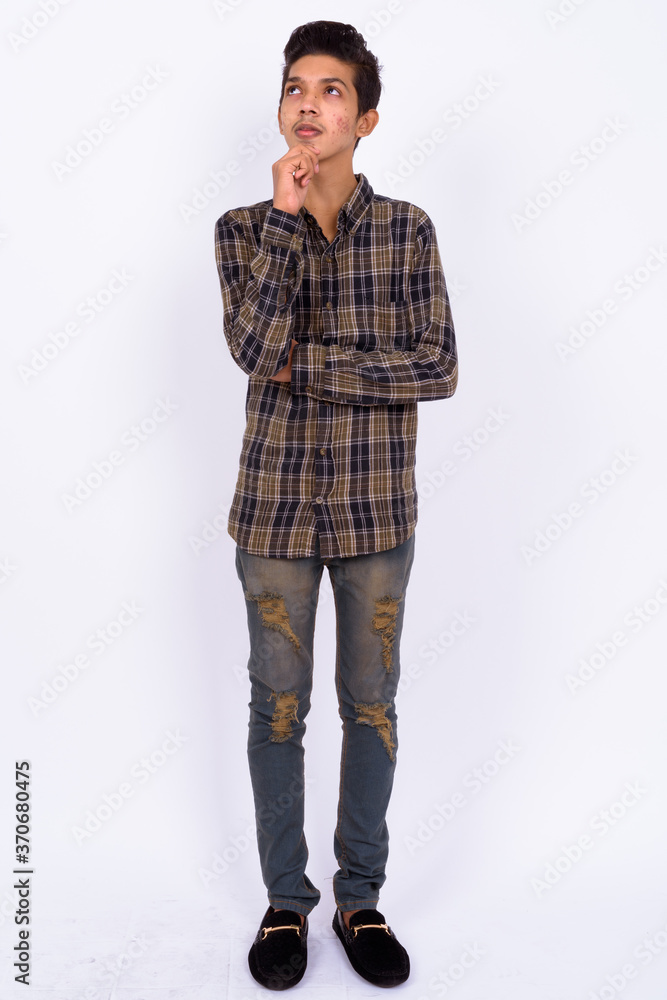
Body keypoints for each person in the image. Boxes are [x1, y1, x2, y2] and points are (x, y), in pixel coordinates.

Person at [214, 19, 458, 990]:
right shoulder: (242, 230)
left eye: (331, 90)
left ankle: (360, 898)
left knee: (371, 706)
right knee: (276, 709)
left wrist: (309, 368)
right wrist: (285, 217)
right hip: (273, 512)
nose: (308, 105)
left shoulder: (407, 230)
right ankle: (286, 901)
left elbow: (437, 367)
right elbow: (251, 348)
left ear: (366, 118)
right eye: (295, 87)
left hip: (374, 517)